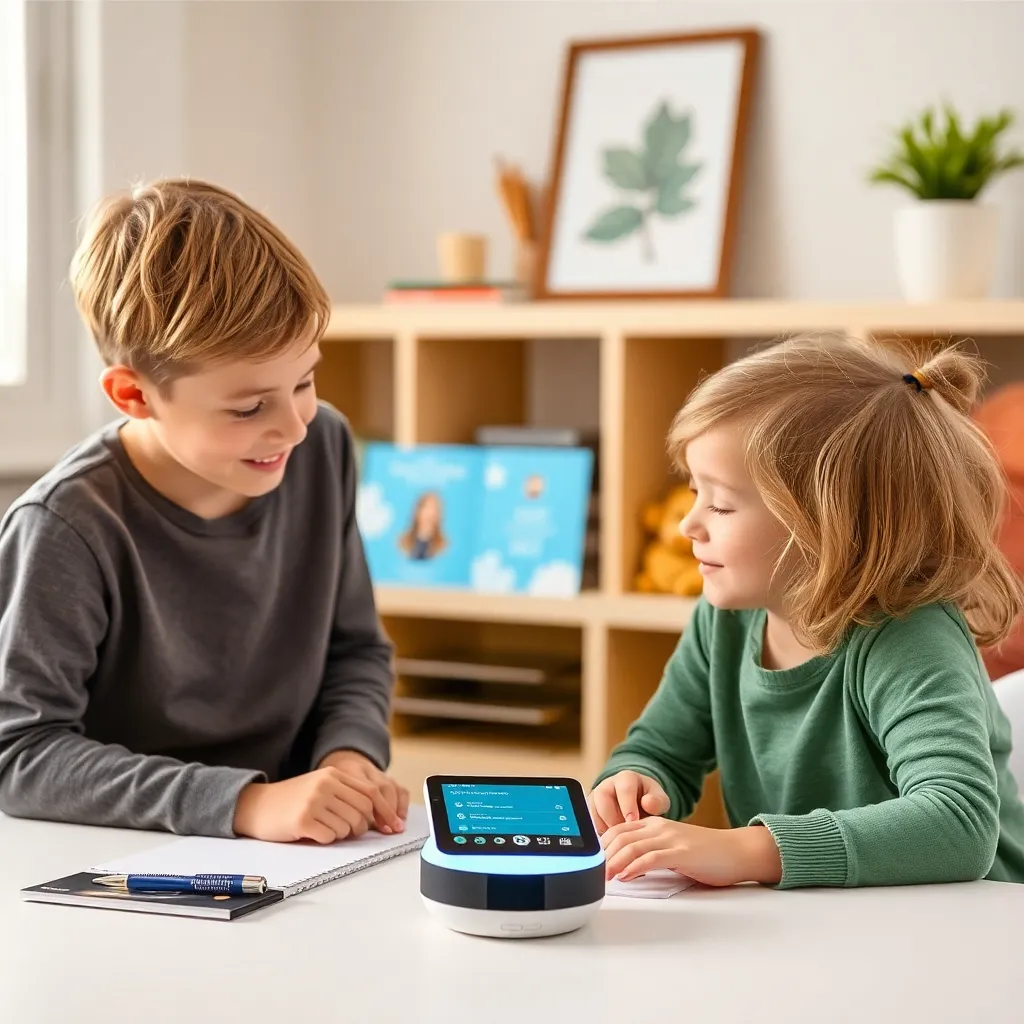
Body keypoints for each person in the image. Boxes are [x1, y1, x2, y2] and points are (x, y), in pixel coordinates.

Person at [0, 178, 408, 844]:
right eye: (249, 408)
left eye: (304, 380)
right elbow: (21, 756)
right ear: (133, 394)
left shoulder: (323, 445)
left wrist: (349, 758)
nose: (293, 426)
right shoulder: (66, 525)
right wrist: (243, 804)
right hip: (123, 863)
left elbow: (355, 650)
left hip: (291, 853)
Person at [589, 332, 1024, 888]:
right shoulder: (724, 618)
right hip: (821, 924)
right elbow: (661, 747)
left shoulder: (908, 637)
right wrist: (634, 779)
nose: (688, 525)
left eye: (720, 503)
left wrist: (749, 848)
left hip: (963, 932)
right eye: (694, 491)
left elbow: (958, 825)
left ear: (830, 525)